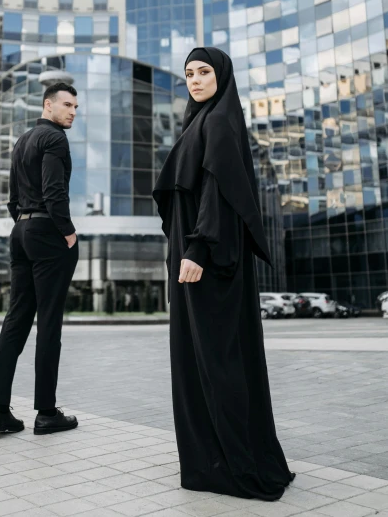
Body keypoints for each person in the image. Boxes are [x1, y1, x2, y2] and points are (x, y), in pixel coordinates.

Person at [153, 47, 295, 501]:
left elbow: (218, 191)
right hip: (199, 260)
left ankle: (232, 464)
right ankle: (221, 457)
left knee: (218, 364)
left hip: (208, 264)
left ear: (222, 75)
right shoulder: (203, 121)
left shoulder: (217, 123)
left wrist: (195, 248)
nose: (194, 80)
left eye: (204, 72)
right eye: (189, 74)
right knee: (205, 363)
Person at [0, 82, 79, 435]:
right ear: (48, 105)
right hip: (47, 232)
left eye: (75, 107)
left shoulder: (22, 141)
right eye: (67, 105)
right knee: (49, 322)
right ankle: (46, 412)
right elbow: (54, 191)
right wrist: (67, 232)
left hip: (21, 231)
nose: (72, 112)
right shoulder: (55, 139)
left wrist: (26, 226)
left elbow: (12, 199)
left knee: (16, 319)